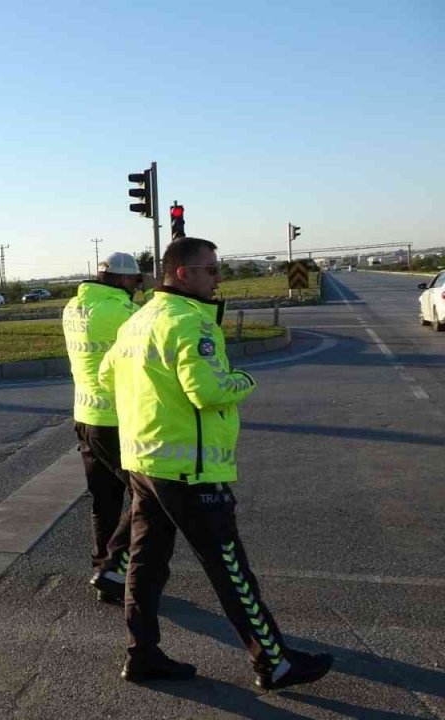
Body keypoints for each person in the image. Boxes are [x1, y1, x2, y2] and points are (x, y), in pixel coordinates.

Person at [99, 237, 333, 690]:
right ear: (183, 273)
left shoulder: (137, 320)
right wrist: (242, 380)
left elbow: (108, 376)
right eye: (211, 269)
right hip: (190, 470)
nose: (218, 277)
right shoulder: (190, 323)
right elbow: (208, 391)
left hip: (146, 464)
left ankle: (142, 654)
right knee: (229, 569)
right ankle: (274, 661)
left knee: (145, 565)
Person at [61, 252, 143, 604]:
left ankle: (103, 568)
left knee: (103, 499)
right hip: (118, 419)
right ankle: (114, 568)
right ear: (125, 280)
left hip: (85, 416)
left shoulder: (71, 308)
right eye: (137, 282)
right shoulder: (123, 312)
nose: (138, 290)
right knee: (147, 495)